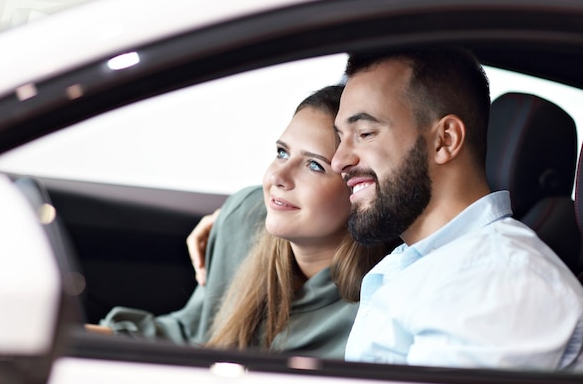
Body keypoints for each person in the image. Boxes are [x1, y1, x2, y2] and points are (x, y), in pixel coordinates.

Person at [331, 47, 583, 369]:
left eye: (365, 133)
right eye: (340, 137)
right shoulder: (428, 262)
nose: (339, 160)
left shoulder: (496, 281)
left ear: (445, 140)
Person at [97, 85, 392, 358]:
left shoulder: (383, 298)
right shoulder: (244, 217)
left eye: (314, 165)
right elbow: (193, 333)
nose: (277, 177)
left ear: (359, 189)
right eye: (281, 153)